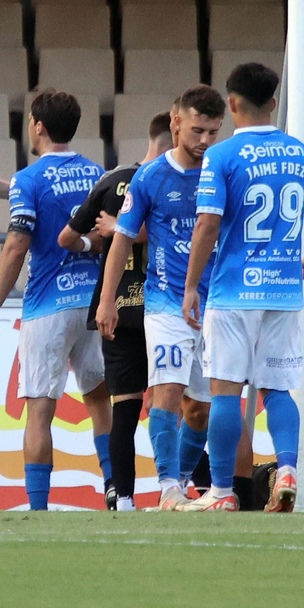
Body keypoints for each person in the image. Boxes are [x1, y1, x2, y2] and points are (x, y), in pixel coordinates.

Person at [181, 62, 304, 513]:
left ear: (231, 104)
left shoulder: (221, 156)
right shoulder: (300, 153)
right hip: (284, 292)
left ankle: (221, 492)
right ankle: (286, 470)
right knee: (278, 391)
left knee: (226, 392)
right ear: (274, 103)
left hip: (233, 292)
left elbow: (207, 225)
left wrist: (190, 287)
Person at [0, 90, 109, 511]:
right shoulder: (98, 174)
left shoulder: (28, 180)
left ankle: (38, 509)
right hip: (95, 302)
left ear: (37, 125)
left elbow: (17, 245)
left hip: (47, 305)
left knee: (40, 410)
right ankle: (117, 494)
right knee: (100, 401)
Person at [98, 86, 225, 510]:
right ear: (176, 123)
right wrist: (106, 300)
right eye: (196, 129)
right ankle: (168, 486)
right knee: (166, 391)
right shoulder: (150, 177)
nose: (204, 140)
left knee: (202, 411)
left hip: (217, 304)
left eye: (212, 131)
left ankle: (183, 479)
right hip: (166, 303)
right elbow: (121, 240)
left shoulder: (221, 170)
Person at [59, 110, 172, 510]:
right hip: (164, 306)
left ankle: (123, 499)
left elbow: (66, 237)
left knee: (124, 408)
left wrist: (100, 238)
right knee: (172, 405)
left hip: (118, 307)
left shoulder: (111, 180)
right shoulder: (175, 180)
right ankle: (175, 490)